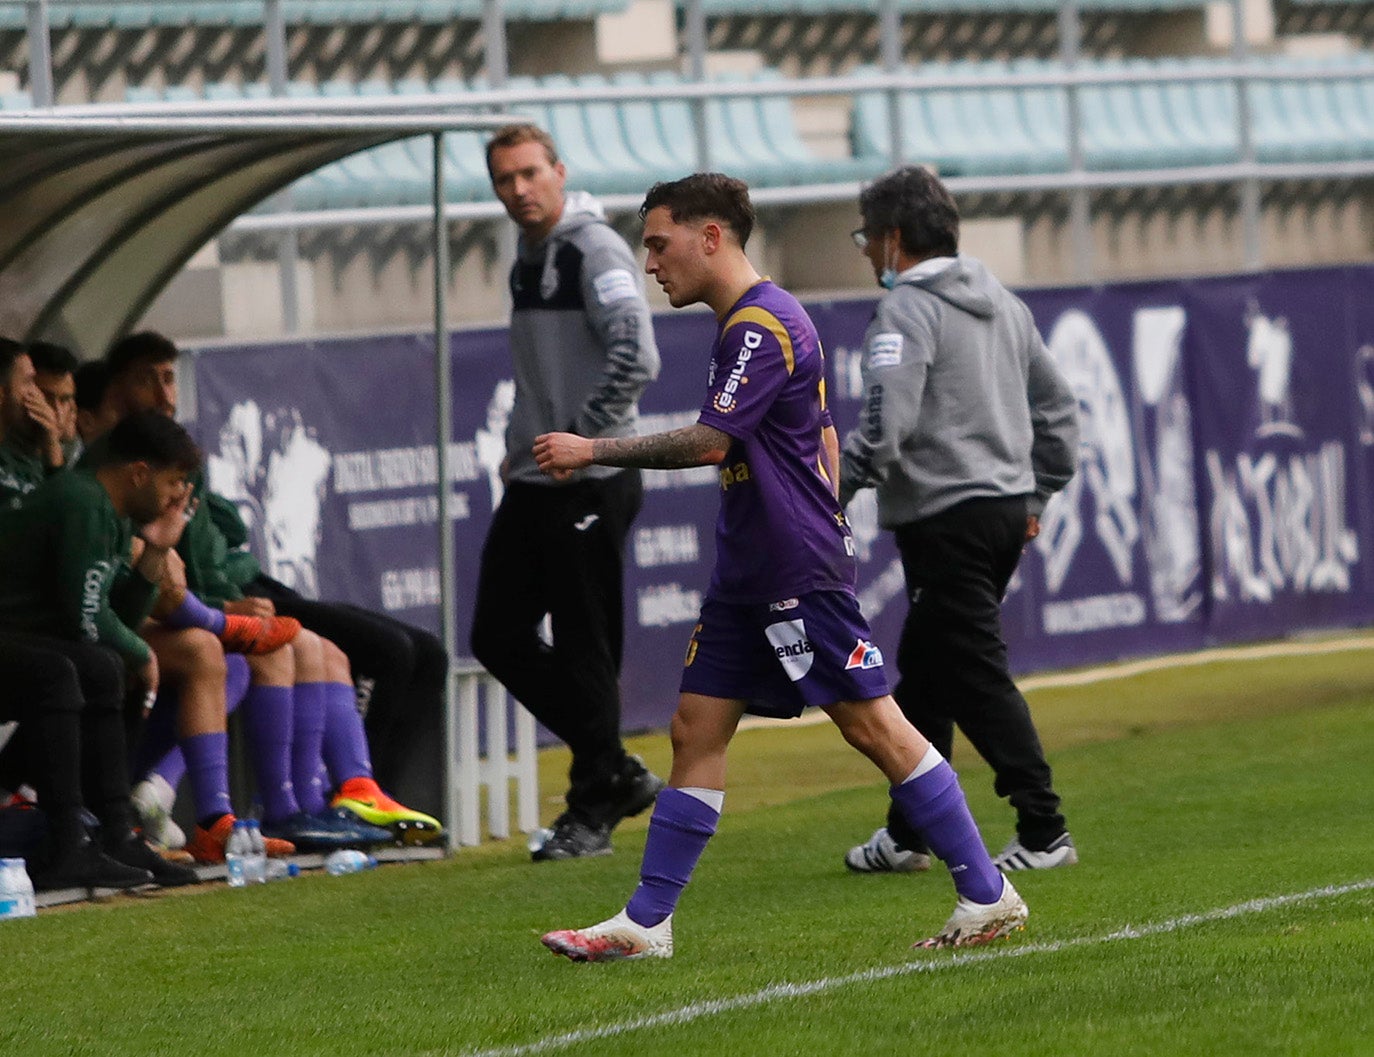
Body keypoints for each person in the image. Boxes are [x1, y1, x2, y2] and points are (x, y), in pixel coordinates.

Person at [534, 173, 1027, 961]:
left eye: (659, 244)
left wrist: (593, 449)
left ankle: (987, 893)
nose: (651, 263)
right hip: (753, 568)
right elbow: (824, 437)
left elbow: (711, 441)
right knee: (696, 728)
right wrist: (820, 511)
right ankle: (646, 922)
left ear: (711, 237)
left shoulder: (760, 325)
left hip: (789, 567)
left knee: (873, 724)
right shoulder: (759, 320)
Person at [90, 332, 441, 846]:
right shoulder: (112, 476)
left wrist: (224, 602)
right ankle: (292, 805)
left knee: (408, 652)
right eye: (150, 378)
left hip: (232, 592)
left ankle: (343, 794)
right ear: (113, 393)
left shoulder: (174, 456)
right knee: (290, 647)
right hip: (194, 609)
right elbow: (148, 587)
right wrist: (225, 615)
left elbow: (202, 548)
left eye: (170, 378)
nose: (166, 393)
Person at [838, 165, 1080, 875]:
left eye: (864, 237)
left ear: (891, 239)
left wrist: (829, 490)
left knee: (971, 670)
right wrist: (1037, 494)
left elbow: (885, 428)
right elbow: (1060, 411)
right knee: (927, 673)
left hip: (945, 518)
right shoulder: (1003, 303)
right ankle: (911, 829)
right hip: (1004, 511)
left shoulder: (908, 312)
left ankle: (1045, 829)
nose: (863, 252)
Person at [472, 123, 665, 861]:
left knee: (588, 647)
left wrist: (581, 434)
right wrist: (524, 444)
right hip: (539, 476)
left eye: (529, 173)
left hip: (590, 475)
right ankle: (612, 766)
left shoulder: (594, 247)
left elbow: (637, 354)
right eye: (503, 179)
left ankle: (591, 806)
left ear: (559, 170)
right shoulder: (528, 255)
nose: (518, 189)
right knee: (496, 631)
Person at [0, 411, 216, 890]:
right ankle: (66, 845)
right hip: (13, 641)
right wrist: (142, 652)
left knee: (101, 667)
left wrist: (157, 550)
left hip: (25, 644)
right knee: (75, 669)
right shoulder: (82, 500)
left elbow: (117, 613)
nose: (175, 496)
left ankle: (117, 833)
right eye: (172, 481)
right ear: (138, 472)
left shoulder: (116, 517)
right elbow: (85, 618)